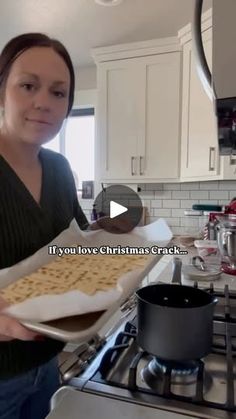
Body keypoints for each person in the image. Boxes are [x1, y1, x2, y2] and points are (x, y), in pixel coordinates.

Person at [0, 32, 112, 419]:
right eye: (28, 86)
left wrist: (110, 241)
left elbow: (74, 246)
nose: (44, 103)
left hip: (47, 364)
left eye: (59, 93)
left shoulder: (61, 169)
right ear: (2, 91)